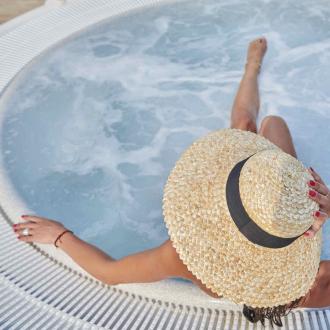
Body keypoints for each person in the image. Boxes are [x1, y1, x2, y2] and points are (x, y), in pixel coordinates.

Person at [12, 37, 330, 327]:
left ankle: (251, 68)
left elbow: (110, 272)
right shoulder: (312, 271)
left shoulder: (184, 257)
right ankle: (252, 67)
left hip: (266, 204)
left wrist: (59, 236)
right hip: (275, 206)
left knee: (251, 125)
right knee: (264, 124)